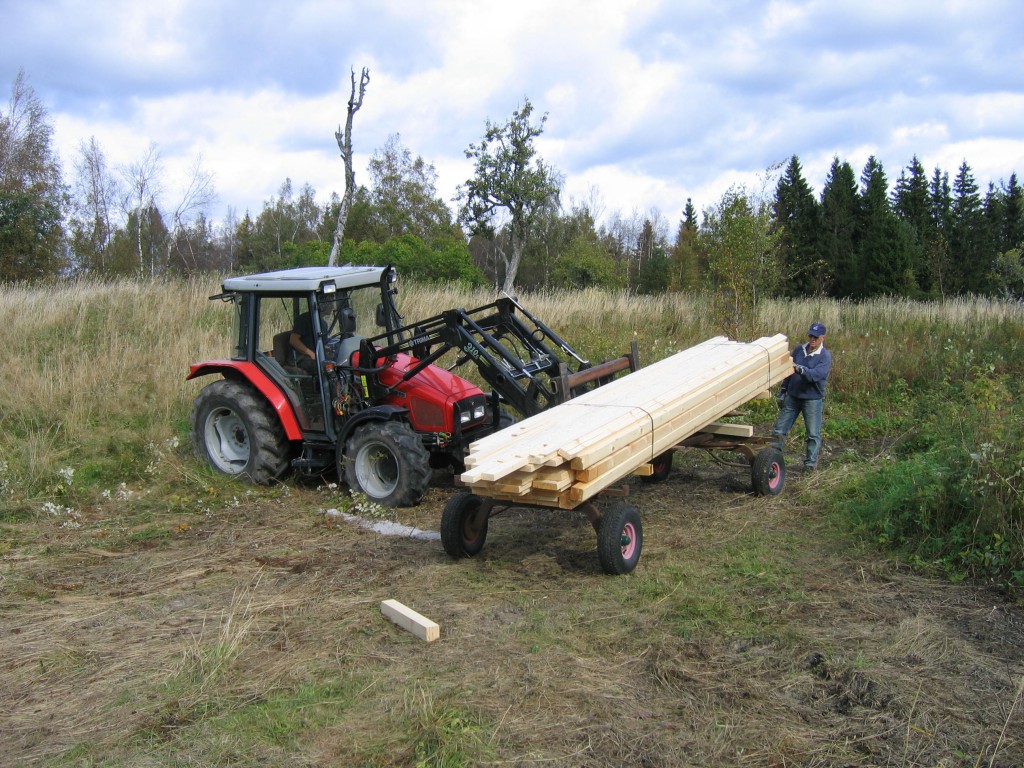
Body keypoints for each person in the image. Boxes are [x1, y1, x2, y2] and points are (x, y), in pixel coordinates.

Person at [772, 321, 832, 471]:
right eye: (811, 335)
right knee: (779, 430)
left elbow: (816, 375)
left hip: (812, 400)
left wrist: (801, 370)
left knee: (812, 434)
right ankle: (773, 458)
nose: (812, 339)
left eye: (816, 337)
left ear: (822, 338)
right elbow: (788, 371)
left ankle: (810, 465)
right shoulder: (799, 350)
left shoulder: (824, 356)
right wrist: (783, 390)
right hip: (793, 396)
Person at [290, 301, 333, 374]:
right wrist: (311, 354)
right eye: (330, 304)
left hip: (316, 356)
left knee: (336, 362)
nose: (332, 307)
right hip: (300, 358)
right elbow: (293, 340)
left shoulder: (323, 324)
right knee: (322, 368)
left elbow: (323, 344)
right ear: (322, 305)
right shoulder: (305, 319)